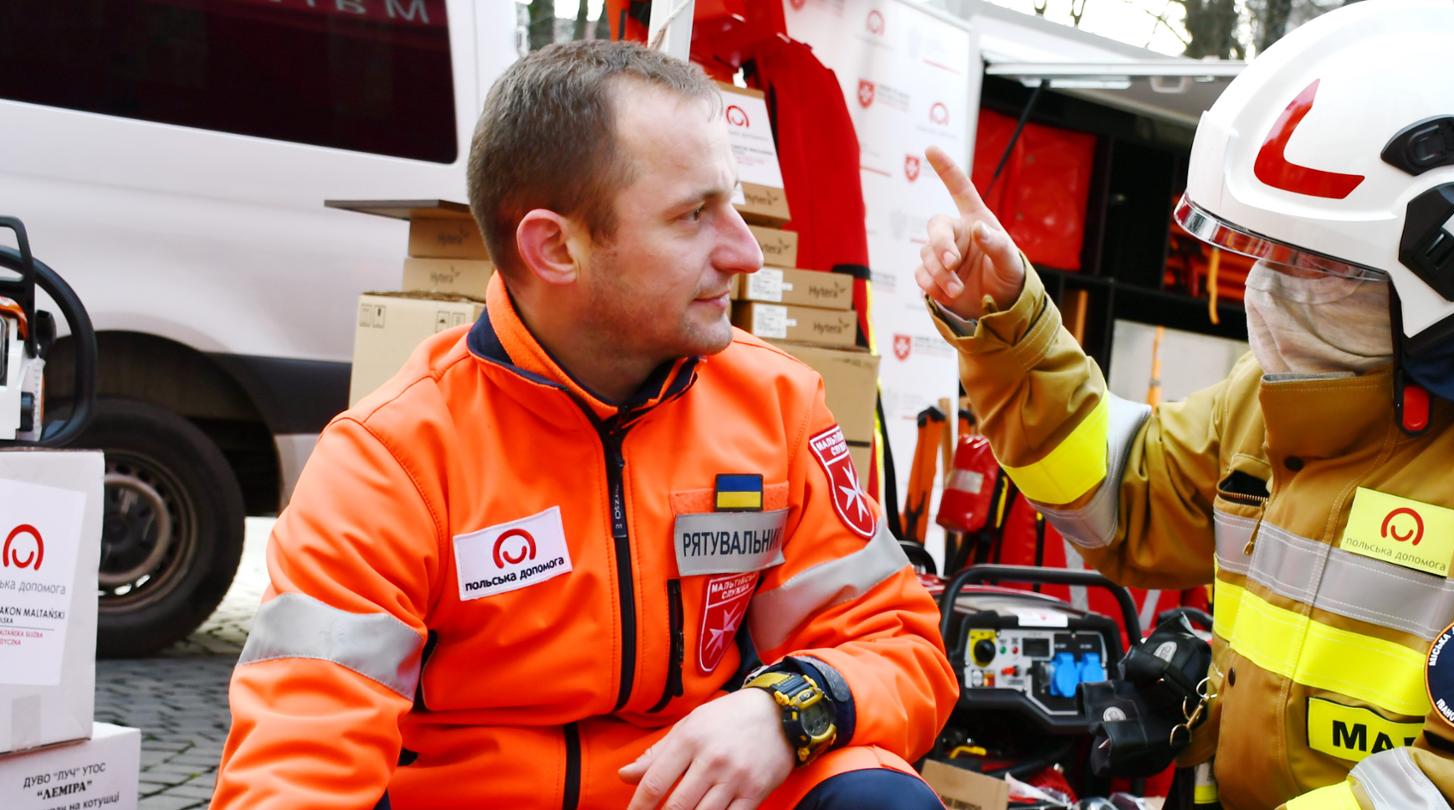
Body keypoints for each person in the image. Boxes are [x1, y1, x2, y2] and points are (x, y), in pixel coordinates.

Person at [917, 2, 1454, 807]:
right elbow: (1126, 495)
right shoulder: (1306, 386)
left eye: (1310, 263)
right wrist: (1011, 327)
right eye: (1263, 253)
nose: (1268, 289)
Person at [213, 41, 955, 810]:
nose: (744, 251)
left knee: (879, 799)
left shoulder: (775, 404)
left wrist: (790, 707)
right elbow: (298, 765)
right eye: (693, 215)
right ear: (554, 248)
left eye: (731, 204)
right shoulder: (392, 461)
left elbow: (901, 648)